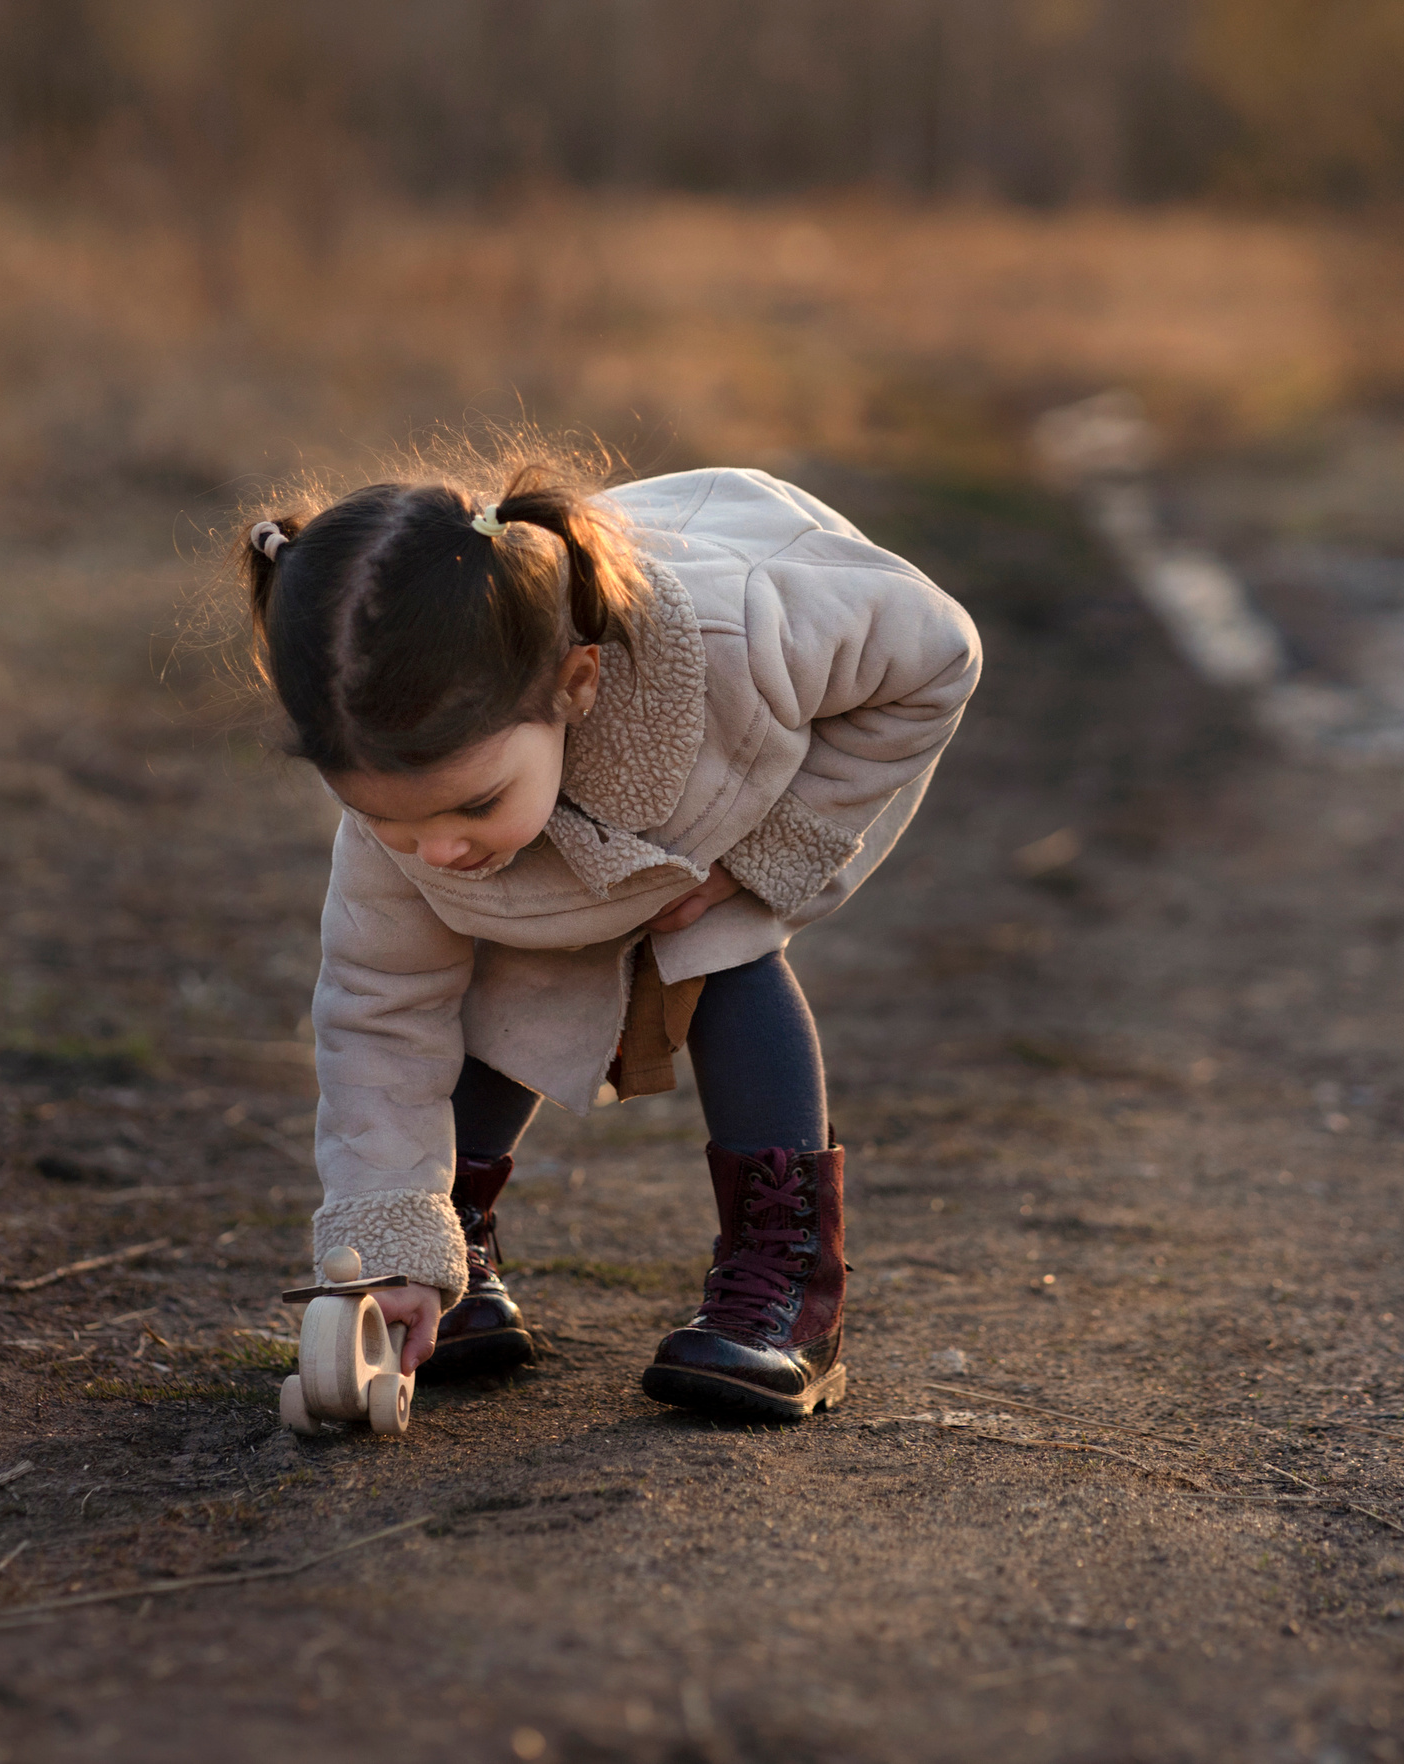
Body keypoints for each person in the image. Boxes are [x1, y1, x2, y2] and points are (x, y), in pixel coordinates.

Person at [233, 441, 980, 1420]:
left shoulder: (746, 634)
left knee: (720, 952)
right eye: (391, 819)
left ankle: (786, 1288)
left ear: (575, 685)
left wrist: (765, 855)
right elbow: (379, 1020)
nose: (438, 849)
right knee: (497, 966)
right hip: (580, 789)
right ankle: (447, 1247)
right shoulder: (400, 848)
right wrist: (393, 1249)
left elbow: (934, 656)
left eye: (472, 804)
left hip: (721, 761)